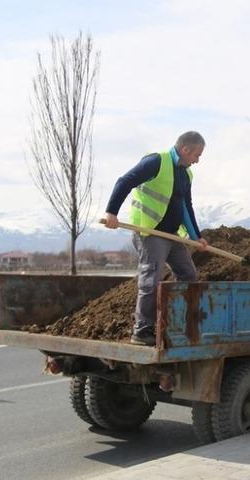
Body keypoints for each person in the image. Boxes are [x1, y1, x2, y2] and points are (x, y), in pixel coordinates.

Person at [103, 131, 208, 346]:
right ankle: (142, 330)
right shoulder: (156, 161)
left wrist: (196, 236)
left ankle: (173, 322)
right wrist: (111, 212)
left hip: (172, 235)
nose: (197, 160)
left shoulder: (186, 174)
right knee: (152, 278)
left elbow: (185, 207)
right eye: (197, 155)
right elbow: (125, 181)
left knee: (188, 274)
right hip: (152, 233)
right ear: (186, 149)